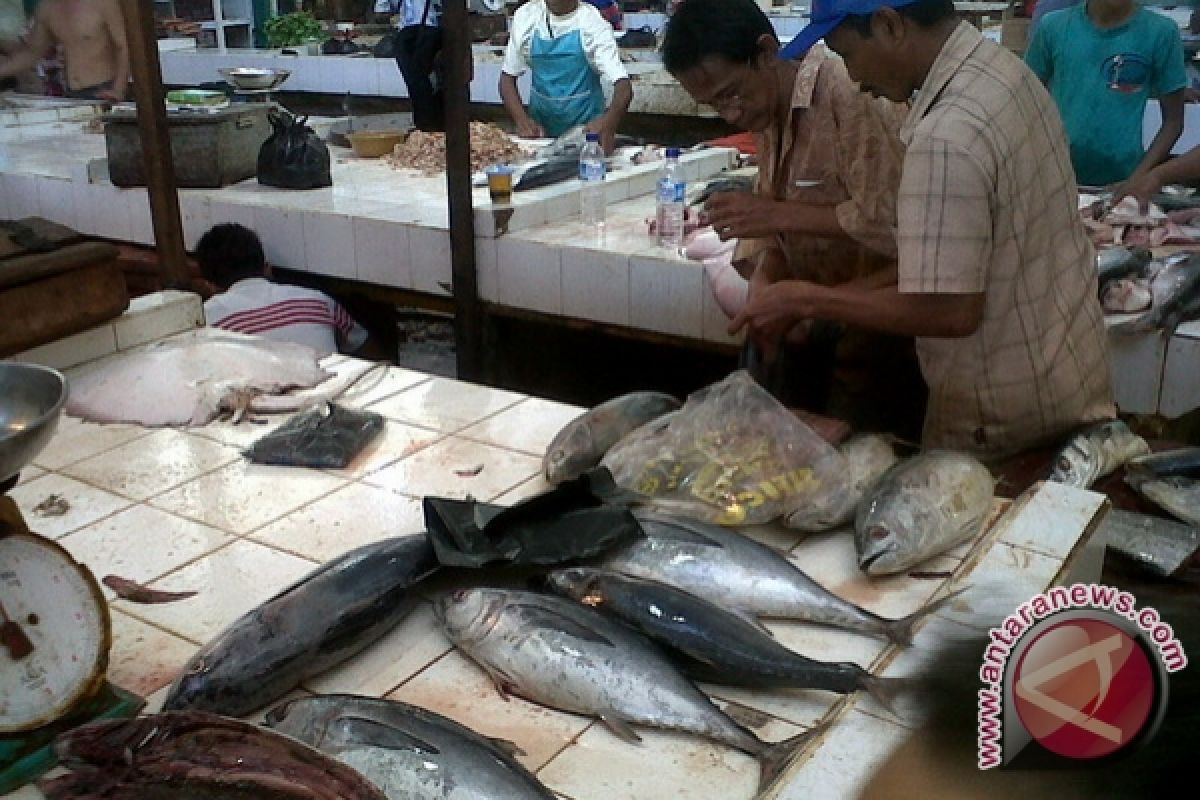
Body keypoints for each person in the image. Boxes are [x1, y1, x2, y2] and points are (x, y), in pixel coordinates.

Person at [731, 0, 1115, 461]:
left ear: (889, 25)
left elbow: (951, 311)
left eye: (848, 54)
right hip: (1067, 375)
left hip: (1000, 419)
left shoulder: (946, 134)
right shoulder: (1004, 73)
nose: (854, 78)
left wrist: (807, 298)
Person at [662, 0, 925, 439]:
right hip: (818, 335)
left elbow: (893, 224)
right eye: (713, 105)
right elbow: (774, 238)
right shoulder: (767, 110)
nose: (731, 115)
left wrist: (774, 214)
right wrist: (765, 291)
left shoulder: (846, 87)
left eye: (730, 94)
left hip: (882, 340)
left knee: (860, 466)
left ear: (766, 52)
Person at [1025, 0, 1187, 188]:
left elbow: (1173, 122)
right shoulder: (1054, 27)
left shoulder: (1161, 33)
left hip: (1124, 179)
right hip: (1056, 177)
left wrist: (1140, 176)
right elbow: (1025, 101)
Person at [196, 223, 371, 359]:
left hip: (257, 402)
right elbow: (363, 345)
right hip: (329, 396)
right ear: (267, 269)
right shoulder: (317, 301)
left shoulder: (206, 321)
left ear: (209, 285)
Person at [499, 0, 633, 151]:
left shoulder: (592, 22)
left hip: (586, 136)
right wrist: (522, 121)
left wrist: (608, 123)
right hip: (540, 136)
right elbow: (507, 80)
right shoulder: (527, 16)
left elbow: (623, 87)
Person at [0, 0, 129, 100]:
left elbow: (123, 46)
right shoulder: (47, 7)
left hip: (104, 90)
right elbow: (31, 53)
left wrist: (118, 89)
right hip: (70, 93)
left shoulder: (103, 3)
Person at [374, 0, 445, 132]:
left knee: (419, 82)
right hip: (416, 32)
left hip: (428, 32)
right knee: (418, 82)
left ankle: (428, 124)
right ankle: (428, 124)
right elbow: (380, 13)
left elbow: (380, 13)